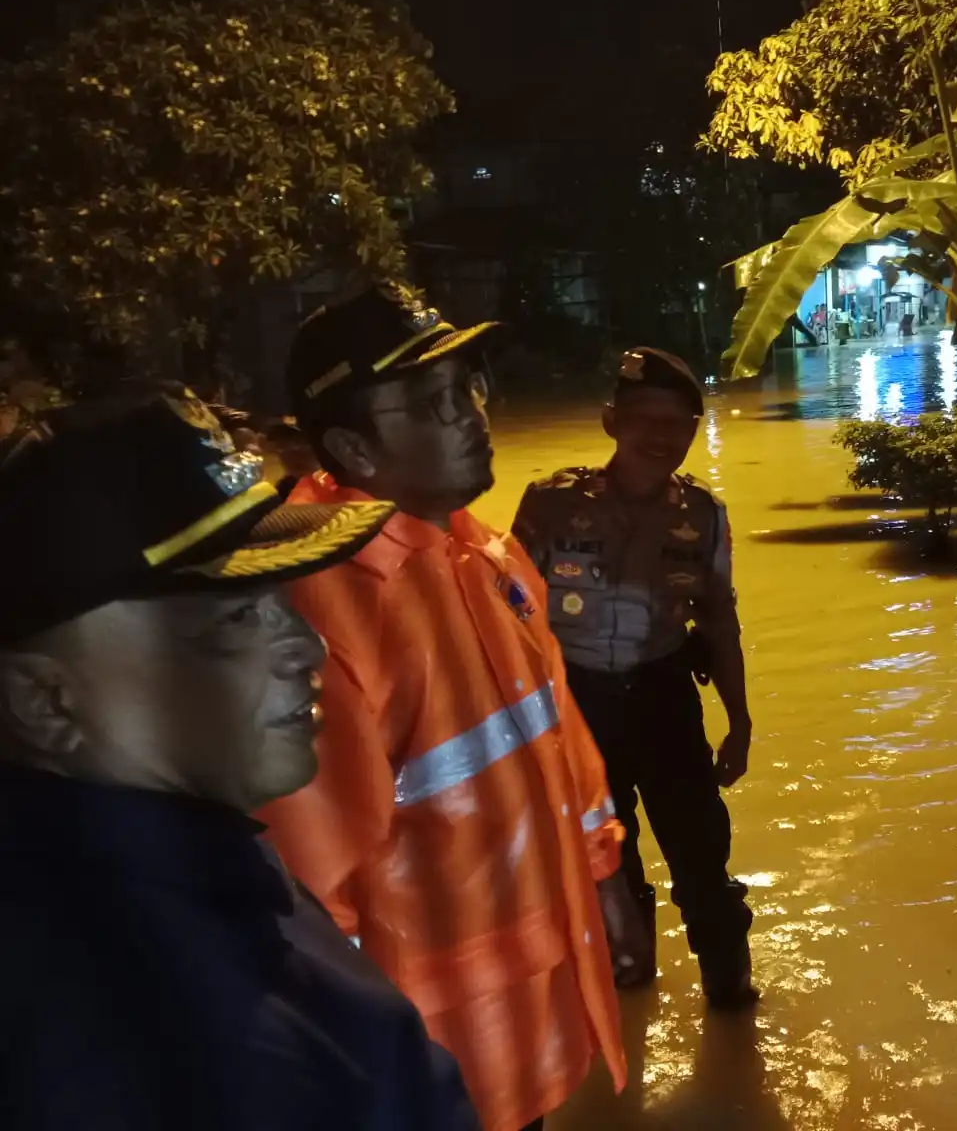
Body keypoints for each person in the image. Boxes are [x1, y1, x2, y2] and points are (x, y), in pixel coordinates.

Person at [0, 384, 480, 1130]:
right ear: (44, 703)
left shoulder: (203, 870)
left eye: (282, 601)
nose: (304, 646)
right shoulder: (128, 1039)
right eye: (232, 618)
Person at [258, 288, 646, 1131]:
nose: (472, 415)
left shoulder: (481, 551)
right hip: (425, 1055)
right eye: (432, 405)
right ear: (353, 445)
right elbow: (315, 885)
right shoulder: (322, 606)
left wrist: (604, 872)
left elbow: (557, 736)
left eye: (468, 387)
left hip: (531, 1005)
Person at [513, 347, 758, 1011]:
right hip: (577, 705)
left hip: (664, 698)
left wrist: (739, 721)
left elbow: (719, 623)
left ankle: (730, 993)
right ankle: (630, 985)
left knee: (702, 853)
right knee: (604, 862)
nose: (661, 437)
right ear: (610, 421)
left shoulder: (703, 515)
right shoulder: (549, 505)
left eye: (677, 423)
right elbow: (510, 627)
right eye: (645, 419)